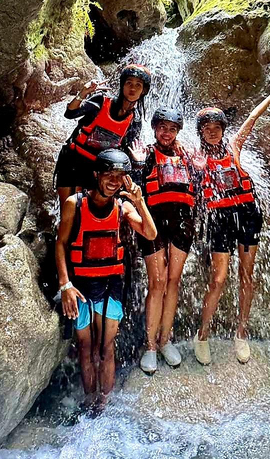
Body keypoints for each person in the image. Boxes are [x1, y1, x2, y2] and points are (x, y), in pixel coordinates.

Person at [192, 78, 270, 365]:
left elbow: (253, 117)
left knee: (247, 276)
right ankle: (203, 334)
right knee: (218, 278)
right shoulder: (195, 157)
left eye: (216, 128)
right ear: (200, 132)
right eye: (207, 129)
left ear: (222, 130)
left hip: (247, 214)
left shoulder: (233, 147)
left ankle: (241, 332)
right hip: (220, 220)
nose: (212, 133)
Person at [55, 149, 157, 401]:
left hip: (111, 284)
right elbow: (61, 244)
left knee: (107, 348)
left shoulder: (123, 207)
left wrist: (140, 201)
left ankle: (104, 403)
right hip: (80, 285)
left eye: (120, 176)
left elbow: (151, 233)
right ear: (96, 175)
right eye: (109, 174)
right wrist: (65, 285)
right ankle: (90, 399)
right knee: (86, 348)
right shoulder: (74, 204)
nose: (114, 180)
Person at [130, 108, 196, 374]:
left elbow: (199, 184)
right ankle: (150, 346)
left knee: (173, 281)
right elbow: (134, 190)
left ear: (177, 131)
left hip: (182, 224)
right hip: (153, 224)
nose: (166, 133)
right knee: (157, 283)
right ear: (155, 129)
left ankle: (165, 339)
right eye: (162, 127)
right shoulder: (144, 154)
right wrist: (136, 164)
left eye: (172, 128)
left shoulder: (188, 156)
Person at [54, 64, 152, 209]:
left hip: (96, 169)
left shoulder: (134, 121)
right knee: (67, 208)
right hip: (72, 159)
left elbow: (125, 154)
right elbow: (70, 113)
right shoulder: (101, 101)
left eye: (138, 85)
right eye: (129, 83)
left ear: (143, 90)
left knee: (84, 210)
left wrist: (138, 162)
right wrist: (83, 93)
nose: (133, 88)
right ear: (122, 85)